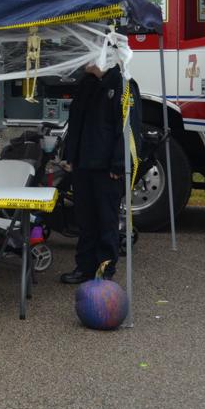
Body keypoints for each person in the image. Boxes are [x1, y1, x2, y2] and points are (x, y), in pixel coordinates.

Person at [59, 53, 141, 285]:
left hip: (107, 168)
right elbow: (76, 124)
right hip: (84, 164)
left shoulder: (123, 84)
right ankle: (84, 267)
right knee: (86, 220)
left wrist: (119, 162)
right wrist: (70, 156)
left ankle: (105, 268)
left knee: (106, 220)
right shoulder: (87, 84)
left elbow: (127, 127)